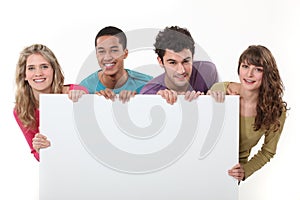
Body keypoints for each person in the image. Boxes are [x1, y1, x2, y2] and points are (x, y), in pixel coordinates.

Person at [209, 45, 288, 181]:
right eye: (245, 66)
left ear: (267, 74)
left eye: (257, 69)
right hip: (205, 160)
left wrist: (245, 171)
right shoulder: (220, 90)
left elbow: (267, 151)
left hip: (232, 170)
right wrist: (208, 101)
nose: (249, 74)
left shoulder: (276, 110)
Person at [13, 44, 88, 161]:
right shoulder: (22, 110)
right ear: (24, 75)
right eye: (31, 68)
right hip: (57, 166)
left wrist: (84, 97)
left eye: (44, 66)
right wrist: (39, 148)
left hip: (82, 160)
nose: (38, 73)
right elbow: (38, 156)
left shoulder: (72, 92)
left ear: (54, 70)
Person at [140, 25, 220, 104]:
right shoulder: (148, 94)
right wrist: (158, 102)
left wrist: (207, 100)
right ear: (160, 61)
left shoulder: (207, 72)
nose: (181, 70)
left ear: (193, 57)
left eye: (186, 61)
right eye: (172, 63)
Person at [79, 26, 153, 103]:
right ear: (96, 54)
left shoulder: (148, 84)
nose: (107, 57)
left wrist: (138, 101)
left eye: (114, 50)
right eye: (101, 51)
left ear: (125, 53)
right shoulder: (85, 88)